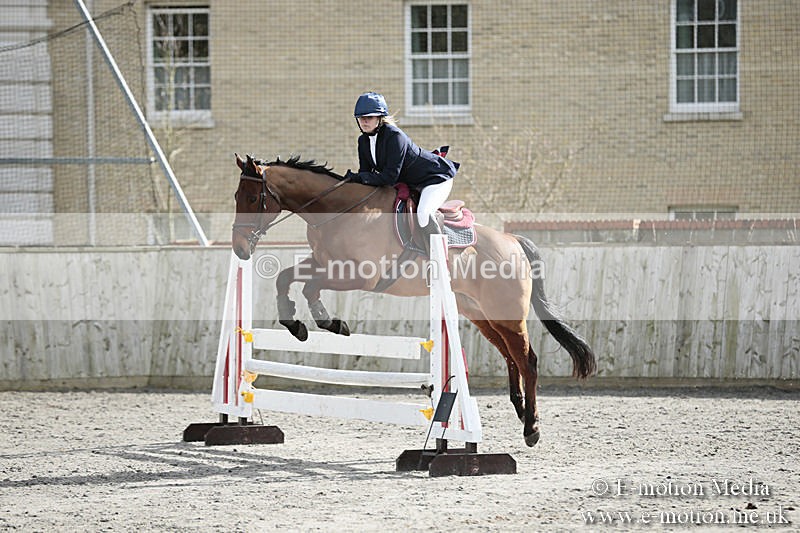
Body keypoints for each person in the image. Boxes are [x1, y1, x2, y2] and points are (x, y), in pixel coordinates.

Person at [345, 92, 457, 255]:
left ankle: (440, 260)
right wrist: (353, 182)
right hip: (411, 182)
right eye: (361, 118)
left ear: (380, 118)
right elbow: (365, 174)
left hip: (435, 179)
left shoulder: (395, 136)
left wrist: (359, 178)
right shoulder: (363, 141)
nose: (364, 121)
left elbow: (389, 177)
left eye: (369, 117)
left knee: (423, 214)